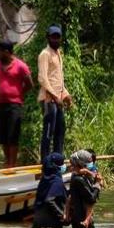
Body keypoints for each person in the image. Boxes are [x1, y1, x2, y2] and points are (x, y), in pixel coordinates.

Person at [37, 25, 72, 160]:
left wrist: (66, 95)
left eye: (58, 37)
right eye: (53, 37)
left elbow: (58, 79)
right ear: (48, 38)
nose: (56, 40)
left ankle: (57, 160)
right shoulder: (44, 54)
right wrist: (54, 96)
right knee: (48, 131)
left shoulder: (58, 54)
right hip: (49, 100)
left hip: (58, 100)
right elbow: (43, 78)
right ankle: (45, 161)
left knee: (60, 131)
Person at [32, 152, 68, 228]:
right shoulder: (56, 181)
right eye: (62, 163)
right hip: (50, 223)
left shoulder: (44, 180)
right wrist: (62, 215)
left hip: (38, 221)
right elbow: (49, 200)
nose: (64, 166)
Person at [66, 150, 100, 228]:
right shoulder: (79, 179)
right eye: (87, 162)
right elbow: (91, 198)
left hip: (78, 219)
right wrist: (97, 184)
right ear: (81, 163)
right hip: (82, 221)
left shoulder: (76, 176)